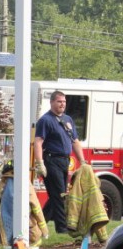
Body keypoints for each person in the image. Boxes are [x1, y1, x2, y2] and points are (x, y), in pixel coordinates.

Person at [34, 90, 87, 234]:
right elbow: (38, 142)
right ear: (51, 102)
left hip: (64, 161)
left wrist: (82, 161)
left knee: (58, 194)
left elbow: (75, 141)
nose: (62, 104)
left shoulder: (68, 119)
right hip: (51, 160)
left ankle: (40, 223)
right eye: (59, 101)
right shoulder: (45, 120)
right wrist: (40, 163)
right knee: (59, 195)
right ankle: (61, 228)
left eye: (63, 101)